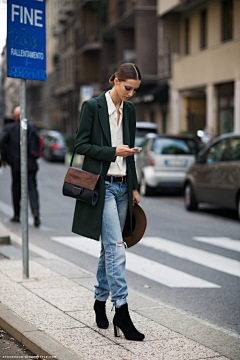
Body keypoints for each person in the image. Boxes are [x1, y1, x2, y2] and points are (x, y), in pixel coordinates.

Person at [72, 63, 144, 341]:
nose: (130, 94)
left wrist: (134, 185)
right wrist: (113, 151)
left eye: (135, 90)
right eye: (127, 88)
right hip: (101, 188)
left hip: (124, 187)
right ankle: (122, 312)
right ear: (115, 80)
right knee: (117, 248)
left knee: (110, 249)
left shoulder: (131, 110)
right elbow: (81, 145)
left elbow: (131, 153)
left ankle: (99, 301)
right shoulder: (92, 107)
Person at [0, 106, 41, 227]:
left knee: (16, 189)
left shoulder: (9, 128)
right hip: (31, 164)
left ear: (15, 116)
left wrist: (4, 158)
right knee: (32, 188)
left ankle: (17, 215)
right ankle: (35, 212)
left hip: (16, 164)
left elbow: (1, 142)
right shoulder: (32, 127)